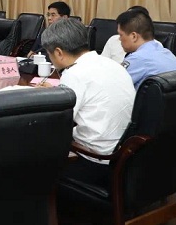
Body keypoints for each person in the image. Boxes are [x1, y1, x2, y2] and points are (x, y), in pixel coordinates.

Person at [40, 18, 135, 190]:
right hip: (127, 158)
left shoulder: (74, 74)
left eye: (49, 54)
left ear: (59, 52)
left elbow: (56, 124)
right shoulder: (112, 64)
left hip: (98, 163)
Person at [117, 9, 176, 89]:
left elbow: (112, 84)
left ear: (133, 36)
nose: (119, 39)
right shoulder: (167, 52)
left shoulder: (137, 58)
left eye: (121, 35)